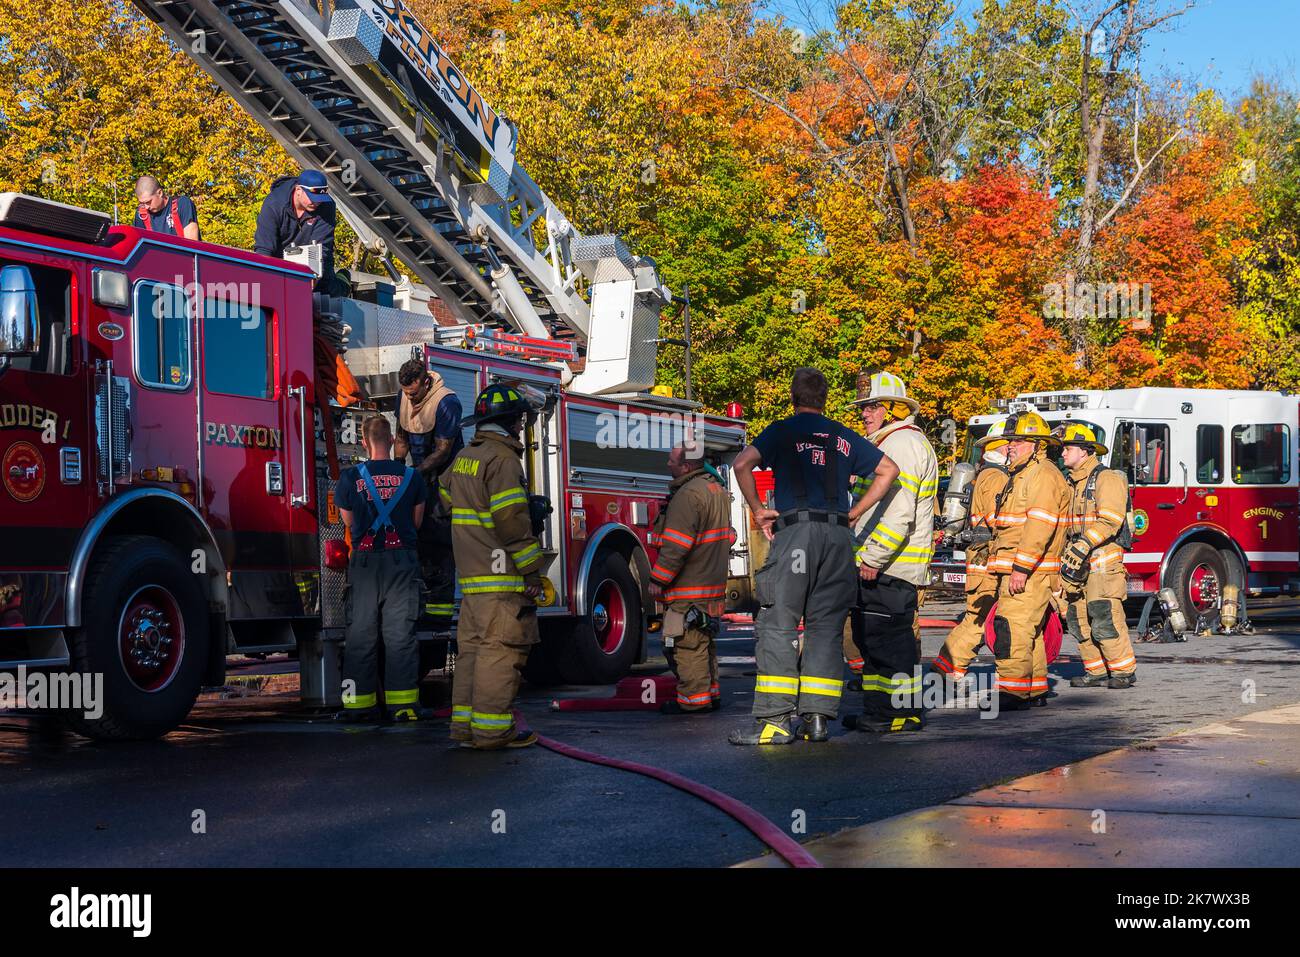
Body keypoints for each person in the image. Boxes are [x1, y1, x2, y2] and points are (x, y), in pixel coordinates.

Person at [728, 367, 899, 745]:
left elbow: (741, 464)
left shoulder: (781, 431)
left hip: (797, 535)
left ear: (794, 397)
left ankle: (775, 721)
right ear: (824, 399)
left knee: (778, 624)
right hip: (838, 538)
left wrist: (758, 509)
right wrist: (854, 513)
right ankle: (818, 719)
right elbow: (889, 470)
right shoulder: (843, 436)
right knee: (825, 628)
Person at [445, 383, 545, 750]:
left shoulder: (465, 457)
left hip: (472, 582)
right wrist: (531, 571)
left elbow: (443, 496)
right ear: (510, 421)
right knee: (501, 651)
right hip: (500, 579)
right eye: (520, 419)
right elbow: (511, 522)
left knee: (471, 651)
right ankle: (491, 731)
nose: (522, 425)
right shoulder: (503, 460)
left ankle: (465, 729)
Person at [842, 371, 938, 734]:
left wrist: (874, 557)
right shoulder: (891, 444)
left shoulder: (902, 446)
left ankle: (895, 714)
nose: (864, 414)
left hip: (889, 569)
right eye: (864, 407)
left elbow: (900, 511)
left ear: (894, 410)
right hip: (886, 569)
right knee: (879, 644)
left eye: (872, 407)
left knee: (888, 647)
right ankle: (883, 712)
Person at [333, 415, 428, 722]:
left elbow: (348, 523)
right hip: (401, 562)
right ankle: (402, 707)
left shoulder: (349, 478)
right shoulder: (413, 477)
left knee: (360, 635)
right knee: (400, 636)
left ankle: (358, 708)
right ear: (391, 441)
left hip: (364, 562)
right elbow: (416, 522)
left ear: (363, 442)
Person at [986, 411, 1069, 711]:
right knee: (1029, 632)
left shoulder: (1042, 475)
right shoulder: (1024, 474)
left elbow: (1039, 527)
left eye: (1017, 441)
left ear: (1036, 444)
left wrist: (1021, 568)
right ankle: (1032, 689)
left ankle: (1012, 692)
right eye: (1009, 441)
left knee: (1012, 627)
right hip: (1023, 568)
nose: (1010, 446)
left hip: (1029, 571)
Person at [650, 443, 735, 714]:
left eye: (671, 460)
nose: (667, 464)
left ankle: (694, 702)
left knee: (686, 645)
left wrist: (658, 580)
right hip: (711, 585)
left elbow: (676, 546)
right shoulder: (715, 490)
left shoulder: (687, 495)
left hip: (688, 587)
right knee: (704, 641)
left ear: (686, 466)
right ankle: (711, 694)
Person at [1058, 424, 1138, 689]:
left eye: (1068, 447)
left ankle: (1123, 671)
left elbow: (1111, 520)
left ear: (1084, 451)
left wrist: (1083, 544)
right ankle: (1096, 671)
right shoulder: (1070, 482)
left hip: (1102, 563)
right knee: (1077, 619)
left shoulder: (1107, 479)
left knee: (1103, 615)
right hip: (1076, 564)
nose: (1063, 452)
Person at [933, 418, 1011, 683]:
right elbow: (996, 518)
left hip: (981, 558)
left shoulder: (984, 472)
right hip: (987, 559)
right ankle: (947, 667)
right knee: (979, 618)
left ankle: (949, 667)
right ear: (1004, 447)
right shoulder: (996, 477)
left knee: (978, 618)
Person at [393, 358, 464, 633]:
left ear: (425, 382)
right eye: (406, 393)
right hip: (417, 473)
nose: (409, 397)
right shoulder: (404, 396)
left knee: (439, 538)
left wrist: (415, 473)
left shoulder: (447, 402)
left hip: (444, 475)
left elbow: (444, 450)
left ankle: (439, 615)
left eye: (413, 393)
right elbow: (401, 437)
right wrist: (398, 470)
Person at [253, 169, 337, 292]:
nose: (317, 202)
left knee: (327, 290)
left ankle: (343, 280)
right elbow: (264, 248)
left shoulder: (327, 206)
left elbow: (322, 246)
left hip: (314, 256)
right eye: (312, 197)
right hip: (280, 256)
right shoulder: (274, 204)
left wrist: (312, 277)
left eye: (320, 198)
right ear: (298, 190)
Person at [132, 175, 200, 240]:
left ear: (160, 193)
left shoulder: (183, 204)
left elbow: (192, 243)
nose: (146, 207)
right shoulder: (141, 215)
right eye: (142, 203)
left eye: (148, 202)